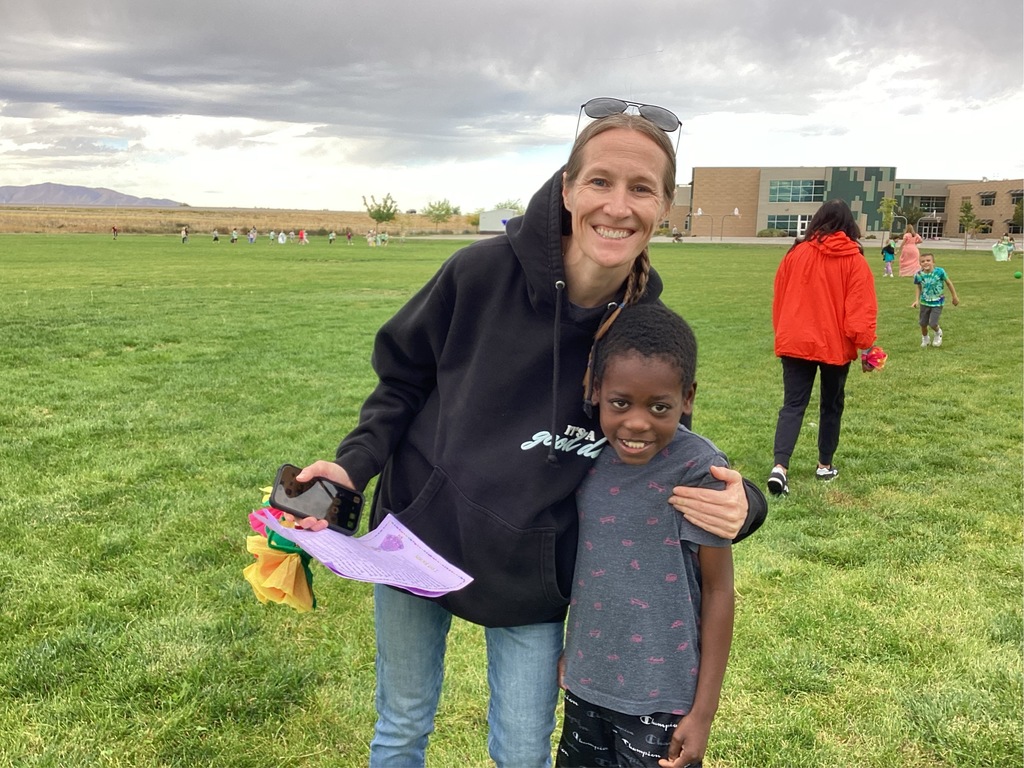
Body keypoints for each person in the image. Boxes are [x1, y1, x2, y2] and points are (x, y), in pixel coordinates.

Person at [292, 103, 767, 768]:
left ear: (664, 207)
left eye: (641, 188)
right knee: (401, 725)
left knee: (521, 751)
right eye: (599, 181)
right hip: (418, 536)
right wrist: (352, 466)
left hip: (531, 568)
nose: (618, 206)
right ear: (567, 189)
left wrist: (747, 503)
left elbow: (662, 449)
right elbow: (402, 381)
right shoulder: (478, 274)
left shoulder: (644, 330)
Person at [555, 303, 733, 768]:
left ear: (687, 398)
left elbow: (718, 590)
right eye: (620, 403)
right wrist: (575, 656)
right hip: (586, 685)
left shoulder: (700, 471)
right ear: (596, 390)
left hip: (664, 701)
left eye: (659, 407)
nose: (637, 423)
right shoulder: (584, 456)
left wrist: (704, 712)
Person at [767, 199, 877, 496]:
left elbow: (780, 297)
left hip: (795, 340)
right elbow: (861, 309)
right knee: (831, 404)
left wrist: (783, 333)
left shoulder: (796, 254)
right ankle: (824, 465)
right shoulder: (854, 260)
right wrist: (866, 346)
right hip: (834, 345)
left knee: (793, 405)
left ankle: (780, 467)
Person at [912, 252, 959, 348]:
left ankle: (938, 333)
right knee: (923, 323)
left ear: (933, 262)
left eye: (928, 260)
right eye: (923, 261)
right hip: (924, 302)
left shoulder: (940, 272)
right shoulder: (919, 274)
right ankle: (925, 339)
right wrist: (917, 300)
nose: (925, 263)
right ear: (920, 264)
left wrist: (954, 296)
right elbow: (918, 287)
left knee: (933, 323)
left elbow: (949, 283)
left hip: (937, 302)